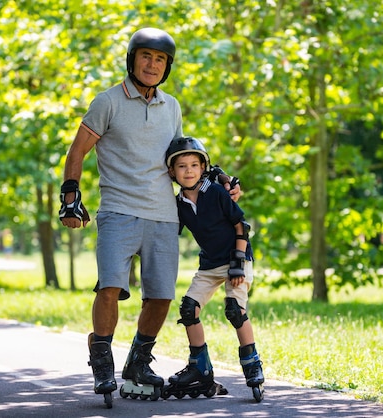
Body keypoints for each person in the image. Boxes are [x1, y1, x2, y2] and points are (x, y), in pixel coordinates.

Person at [58, 28, 241, 407]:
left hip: (163, 215)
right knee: (109, 286)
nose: (152, 64)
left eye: (160, 60)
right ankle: (102, 358)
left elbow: (180, 159)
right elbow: (76, 151)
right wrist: (71, 196)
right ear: (132, 59)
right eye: (146, 56)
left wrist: (218, 180)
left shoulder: (171, 107)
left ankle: (138, 362)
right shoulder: (107, 102)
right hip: (119, 211)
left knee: (159, 297)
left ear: (167, 66)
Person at [162, 136, 265, 402]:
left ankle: (252, 363)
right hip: (209, 264)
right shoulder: (179, 203)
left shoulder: (217, 192)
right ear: (172, 172)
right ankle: (200, 367)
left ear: (203, 167)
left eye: (194, 165)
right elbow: (170, 232)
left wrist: (238, 262)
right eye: (182, 166)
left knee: (235, 310)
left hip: (235, 259)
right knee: (188, 309)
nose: (188, 171)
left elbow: (241, 226)